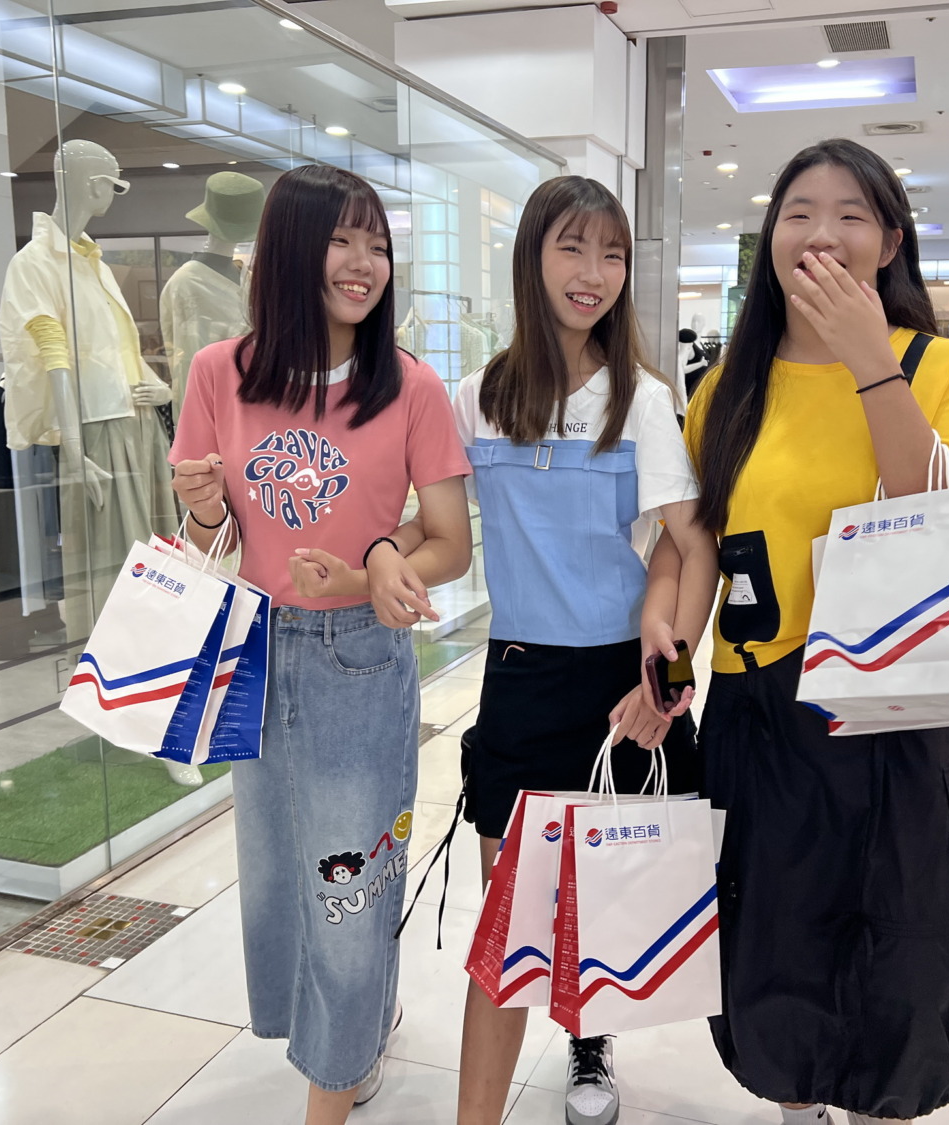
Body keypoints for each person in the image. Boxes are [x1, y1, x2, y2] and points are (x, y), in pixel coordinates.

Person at [388, 174, 717, 1125]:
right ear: (531, 255)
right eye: (573, 246)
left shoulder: (643, 401)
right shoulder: (475, 398)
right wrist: (378, 555)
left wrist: (671, 686)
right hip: (521, 680)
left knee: (602, 896)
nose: (593, 272)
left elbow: (692, 546)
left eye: (612, 253)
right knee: (510, 922)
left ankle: (589, 1039)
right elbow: (432, 522)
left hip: (623, 682)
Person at [678, 138, 949, 1124]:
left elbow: (947, 520)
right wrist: (667, 662)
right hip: (760, 710)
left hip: (896, 714)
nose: (823, 233)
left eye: (852, 215)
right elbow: (695, 545)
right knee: (776, 946)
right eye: (800, 213)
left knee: (901, 953)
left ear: (890, 242)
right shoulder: (728, 386)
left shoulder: (940, 367)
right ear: (770, 238)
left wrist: (870, 360)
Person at [169, 164, 473, 1125]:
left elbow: (451, 542)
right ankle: (355, 1040)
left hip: (359, 655)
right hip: (253, 652)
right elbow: (212, 538)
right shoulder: (218, 372)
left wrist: (376, 566)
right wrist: (201, 505)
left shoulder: (410, 386)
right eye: (342, 240)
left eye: (377, 244)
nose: (363, 263)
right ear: (291, 250)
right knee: (276, 883)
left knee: (347, 886)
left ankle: (329, 1094)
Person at [679, 327, 709, 398]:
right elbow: (683, 369)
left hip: (696, 383)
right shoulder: (687, 349)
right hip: (692, 384)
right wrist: (701, 364)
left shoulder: (687, 348)